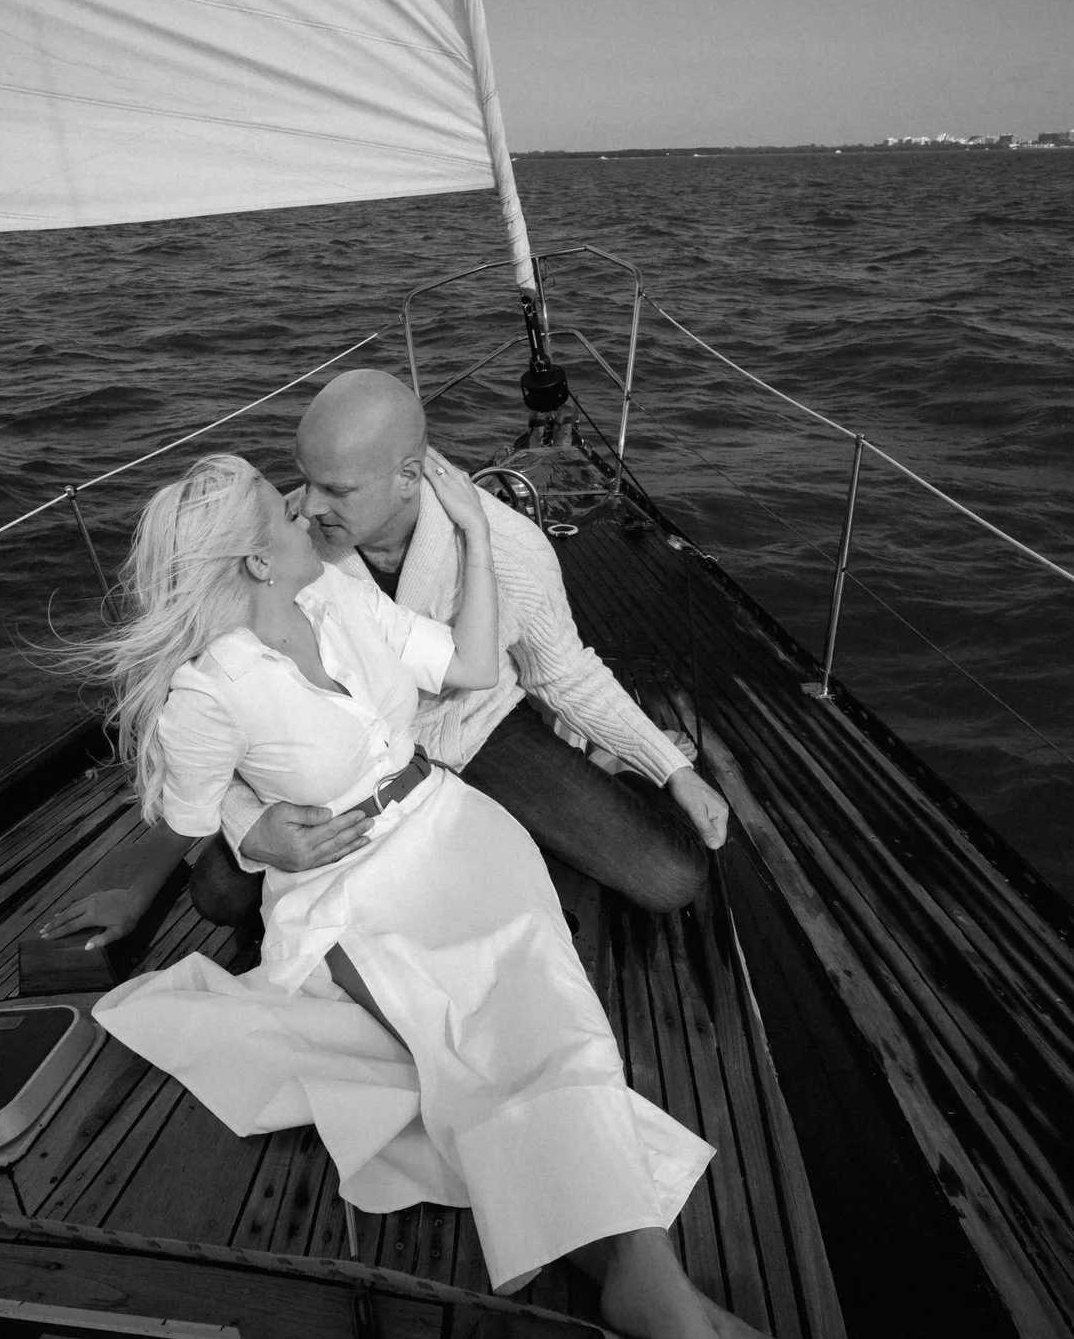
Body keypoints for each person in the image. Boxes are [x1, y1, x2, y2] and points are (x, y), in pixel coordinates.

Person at [49, 451, 931, 1339]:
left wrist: (474, 532)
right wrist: (259, 834)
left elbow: (470, 668)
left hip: (454, 831)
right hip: (342, 889)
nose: (307, 507)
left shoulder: (339, 604)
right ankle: (678, 1301)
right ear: (256, 562)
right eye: (286, 507)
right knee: (472, 1049)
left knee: (547, 1017)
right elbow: (188, 811)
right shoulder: (207, 697)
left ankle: (654, 1287)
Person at [210, 368, 728, 929]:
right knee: (219, 893)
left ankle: (608, 768)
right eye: (305, 479)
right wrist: (247, 823)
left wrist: (672, 768)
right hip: (345, 757)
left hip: (477, 731)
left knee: (669, 877)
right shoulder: (282, 547)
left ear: (408, 476)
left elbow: (565, 674)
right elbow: (215, 702)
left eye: (336, 490)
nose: (307, 507)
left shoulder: (507, 546)